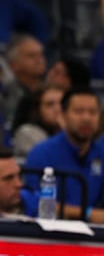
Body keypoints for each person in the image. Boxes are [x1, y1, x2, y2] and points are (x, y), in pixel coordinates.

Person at [24, 86, 104, 219]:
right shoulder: (42, 153)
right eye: (79, 111)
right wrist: (88, 213)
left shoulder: (101, 153)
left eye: (93, 112)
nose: (86, 118)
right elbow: (36, 204)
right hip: (50, 234)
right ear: (62, 115)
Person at [12, 84, 65, 158]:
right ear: (38, 110)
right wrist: (66, 132)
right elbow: (53, 160)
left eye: (62, 103)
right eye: (49, 104)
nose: (58, 109)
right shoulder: (27, 133)